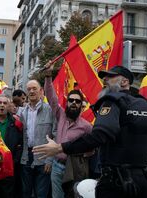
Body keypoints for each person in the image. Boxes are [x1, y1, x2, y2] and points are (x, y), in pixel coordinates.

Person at [33, 66, 147, 198]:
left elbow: (99, 136)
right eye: (104, 77)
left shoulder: (112, 101)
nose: (104, 80)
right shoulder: (146, 105)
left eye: (110, 76)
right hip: (144, 180)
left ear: (125, 82)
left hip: (117, 181)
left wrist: (60, 147)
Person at [43, 63, 92, 198]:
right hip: (57, 166)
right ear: (67, 103)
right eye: (71, 100)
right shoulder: (61, 115)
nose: (74, 103)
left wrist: (85, 154)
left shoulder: (87, 126)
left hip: (76, 169)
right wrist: (48, 75)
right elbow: (51, 96)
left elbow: (92, 147)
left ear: (81, 106)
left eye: (77, 101)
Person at [18, 80, 56, 198]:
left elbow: (55, 134)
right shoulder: (22, 112)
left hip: (44, 157)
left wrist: (50, 160)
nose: (31, 91)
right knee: (26, 193)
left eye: (34, 88)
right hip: (26, 157)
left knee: (41, 194)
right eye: (29, 89)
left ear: (41, 91)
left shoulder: (50, 110)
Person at [0, 94, 23, 198]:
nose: (2, 105)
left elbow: (20, 144)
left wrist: (14, 160)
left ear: (9, 106)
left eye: (5, 103)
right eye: (0, 103)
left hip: (7, 166)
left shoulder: (16, 124)